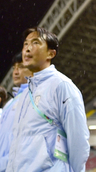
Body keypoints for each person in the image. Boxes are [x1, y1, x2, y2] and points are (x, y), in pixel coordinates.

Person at [6, 27, 90, 172]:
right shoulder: (26, 94)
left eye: (35, 43)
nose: (27, 49)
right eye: (25, 44)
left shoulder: (62, 86)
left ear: (51, 54)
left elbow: (78, 140)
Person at [0, 52, 32, 172]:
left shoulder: (32, 99)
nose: (15, 72)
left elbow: (25, 143)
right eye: (14, 68)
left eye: (21, 67)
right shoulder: (10, 104)